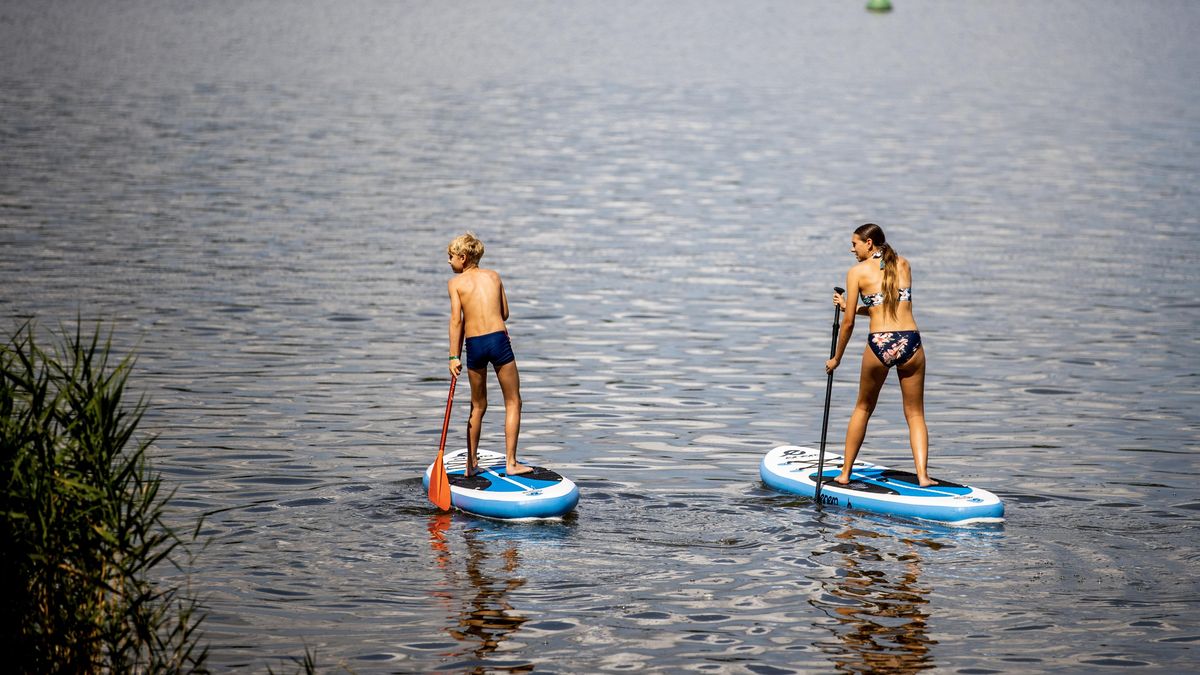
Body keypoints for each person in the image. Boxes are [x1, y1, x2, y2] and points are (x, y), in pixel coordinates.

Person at [825, 223, 935, 487]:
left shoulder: (856, 273)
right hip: (911, 341)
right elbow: (888, 306)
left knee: (863, 408)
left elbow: (848, 322)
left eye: (855, 244)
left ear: (870, 243)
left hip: (880, 343)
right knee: (916, 414)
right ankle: (923, 476)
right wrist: (856, 307)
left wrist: (836, 358)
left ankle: (845, 473)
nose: (852, 249)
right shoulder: (904, 264)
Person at [446, 233, 531, 477]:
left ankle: (471, 464)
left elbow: (456, 321)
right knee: (513, 401)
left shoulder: (455, 284)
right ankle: (512, 463)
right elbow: (504, 313)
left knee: (478, 405)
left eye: (450, 258)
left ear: (463, 258)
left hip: (474, 345)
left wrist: (454, 357)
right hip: (498, 340)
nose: (449, 262)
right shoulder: (493, 276)